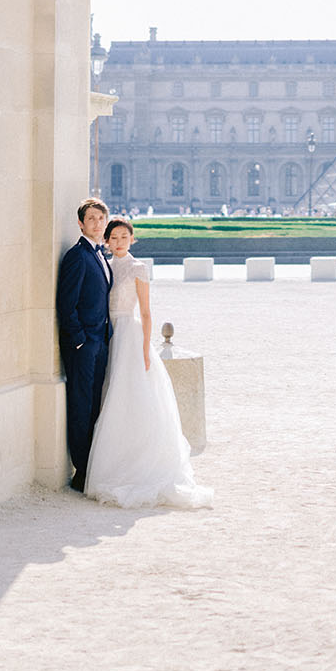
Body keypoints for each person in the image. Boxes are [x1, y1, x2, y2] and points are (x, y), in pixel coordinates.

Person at [85, 217, 213, 509]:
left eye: (124, 237)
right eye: (113, 238)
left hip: (129, 335)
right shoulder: (104, 264)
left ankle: (139, 464)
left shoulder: (138, 268)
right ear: (106, 241)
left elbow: (146, 312)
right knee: (112, 394)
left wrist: (145, 347)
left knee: (131, 395)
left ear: (132, 239)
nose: (118, 242)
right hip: (108, 334)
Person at [56, 197, 112, 492]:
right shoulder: (77, 256)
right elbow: (66, 304)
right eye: (91, 219)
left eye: (101, 219)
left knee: (92, 406)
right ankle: (81, 470)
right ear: (80, 223)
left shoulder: (99, 254)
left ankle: (90, 466)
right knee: (81, 406)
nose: (97, 223)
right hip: (84, 345)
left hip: (99, 343)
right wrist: (79, 341)